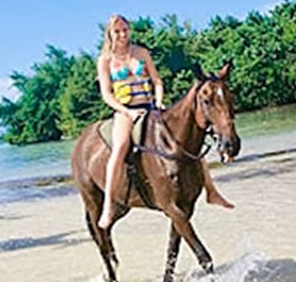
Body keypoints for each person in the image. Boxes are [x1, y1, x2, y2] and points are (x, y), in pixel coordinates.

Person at [96, 15, 232, 229]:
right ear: (110, 34)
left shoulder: (141, 53)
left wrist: (158, 102)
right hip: (126, 112)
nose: (122, 35)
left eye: (125, 30)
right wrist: (127, 112)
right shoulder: (105, 60)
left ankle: (212, 192)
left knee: (187, 143)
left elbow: (157, 80)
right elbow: (106, 94)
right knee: (120, 148)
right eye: (117, 31)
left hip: (150, 107)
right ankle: (108, 206)